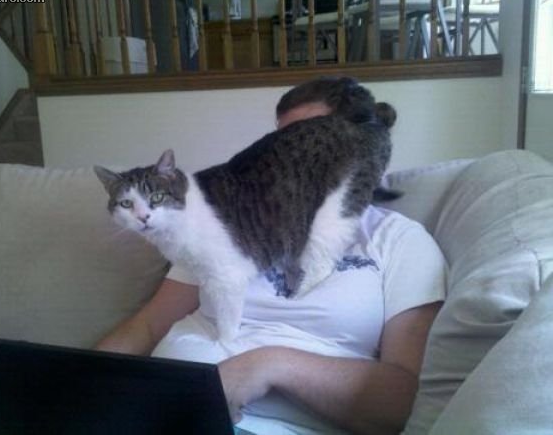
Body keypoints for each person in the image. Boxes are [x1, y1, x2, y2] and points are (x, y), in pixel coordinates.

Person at [96, 77, 447, 435]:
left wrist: (269, 366)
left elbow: (405, 401)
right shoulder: (214, 224)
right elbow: (148, 325)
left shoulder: (399, 240)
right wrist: (80, 388)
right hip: (159, 412)